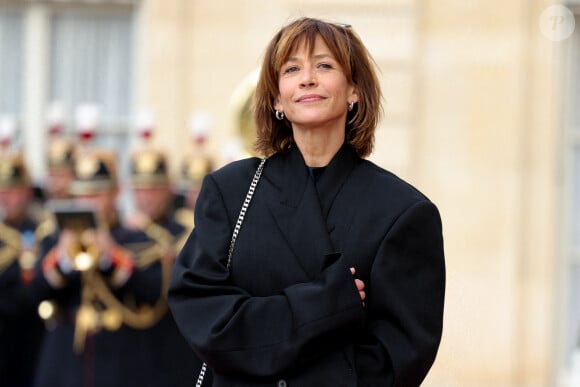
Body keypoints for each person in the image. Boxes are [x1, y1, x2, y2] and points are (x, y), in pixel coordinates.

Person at [168, 17, 446, 387]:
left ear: (354, 91)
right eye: (292, 69)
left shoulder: (403, 212)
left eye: (324, 65)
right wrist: (327, 304)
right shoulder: (229, 191)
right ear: (276, 97)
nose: (307, 78)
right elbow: (207, 322)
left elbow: (399, 358)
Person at [32, 148, 174, 387]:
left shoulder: (137, 237)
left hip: (120, 355)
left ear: (115, 193)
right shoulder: (54, 238)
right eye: (82, 194)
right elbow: (34, 292)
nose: (88, 202)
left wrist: (112, 256)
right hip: (66, 355)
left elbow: (153, 294)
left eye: (97, 194)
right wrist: (63, 259)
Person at [125, 146, 210, 386]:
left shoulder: (185, 231)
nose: (147, 197)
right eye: (140, 189)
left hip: (176, 347)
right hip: (130, 350)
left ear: (169, 189)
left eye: (154, 188)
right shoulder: (122, 234)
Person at [0, 152, 45, 387]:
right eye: (2, 191)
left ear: (27, 192)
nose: (5, 199)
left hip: (29, 336)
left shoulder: (39, 232)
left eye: (12, 191)